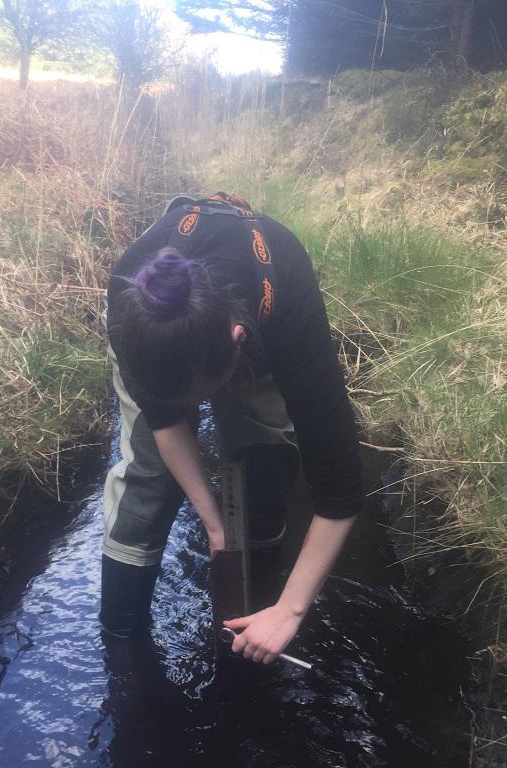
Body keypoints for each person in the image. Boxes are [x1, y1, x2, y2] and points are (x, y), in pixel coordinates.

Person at [100, 192, 363, 665]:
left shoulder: (288, 309)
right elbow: (163, 417)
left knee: (264, 459)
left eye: (201, 395)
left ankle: (256, 604)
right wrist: (215, 526)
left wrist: (288, 611)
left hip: (268, 316)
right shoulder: (131, 315)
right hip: (157, 329)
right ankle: (121, 648)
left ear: (236, 342)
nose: (193, 409)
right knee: (149, 477)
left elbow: (341, 486)